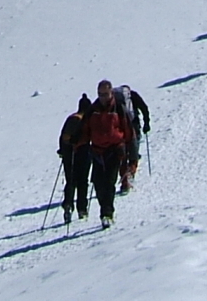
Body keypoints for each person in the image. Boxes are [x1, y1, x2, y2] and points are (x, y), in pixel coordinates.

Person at [84, 81, 130, 227]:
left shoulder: (118, 108)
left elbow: (128, 131)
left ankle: (107, 214)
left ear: (111, 93)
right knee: (98, 183)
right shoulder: (93, 109)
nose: (102, 97)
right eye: (99, 94)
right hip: (97, 151)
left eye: (105, 94)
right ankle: (105, 210)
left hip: (114, 150)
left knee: (109, 183)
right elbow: (85, 128)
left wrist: (131, 154)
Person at [56, 95, 92, 224]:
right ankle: (82, 209)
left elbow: (63, 137)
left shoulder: (71, 118)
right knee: (83, 182)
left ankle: (68, 206)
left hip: (68, 155)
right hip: (84, 154)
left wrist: (62, 150)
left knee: (70, 181)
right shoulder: (86, 120)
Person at [114, 84, 151, 193]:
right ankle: (129, 176)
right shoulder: (133, 96)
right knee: (133, 154)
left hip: (120, 130)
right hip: (134, 127)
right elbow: (144, 108)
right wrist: (146, 123)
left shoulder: (115, 100)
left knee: (123, 155)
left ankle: (125, 181)